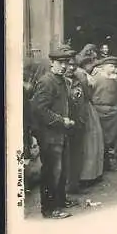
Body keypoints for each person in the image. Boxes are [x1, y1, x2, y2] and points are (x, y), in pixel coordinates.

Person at [30, 46, 79, 219]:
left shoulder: (61, 80)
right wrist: (61, 120)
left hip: (60, 133)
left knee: (61, 170)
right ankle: (50, 209)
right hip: (50, 135)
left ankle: (60, 201)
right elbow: (39, 109)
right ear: (52, 63)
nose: (64, 66)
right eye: (60, 62)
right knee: (52, 171)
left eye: (66, 62)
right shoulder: (47, 81)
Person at [72, 61, 105, 185]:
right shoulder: (81, 74)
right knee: (90, 143)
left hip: (85, 108)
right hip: (85, 109)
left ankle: (87, 175)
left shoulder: (80, 74)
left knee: (89, 143)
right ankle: (91, 174)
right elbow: (88, 91)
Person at [91, 56, 117, 170]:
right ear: (103, 67)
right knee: (102, 139)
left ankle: (110, 163)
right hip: (99, 110)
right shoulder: (95, 79)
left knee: (112, 138)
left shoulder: (115, 79)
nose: (113, 68)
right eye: (110, 66)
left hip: (112, 111)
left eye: (114, 66)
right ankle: (102, 165)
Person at [64, 57, 87, 195]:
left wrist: (82, 119)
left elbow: (84, 101)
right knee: (65, 156)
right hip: (64, 124)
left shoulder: (78, 82)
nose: (71, 68)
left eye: (74, 65)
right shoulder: (59, 83)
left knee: (76, 155)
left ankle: (74, 184)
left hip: (77, 124)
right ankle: (64, 187)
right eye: (69, 65)